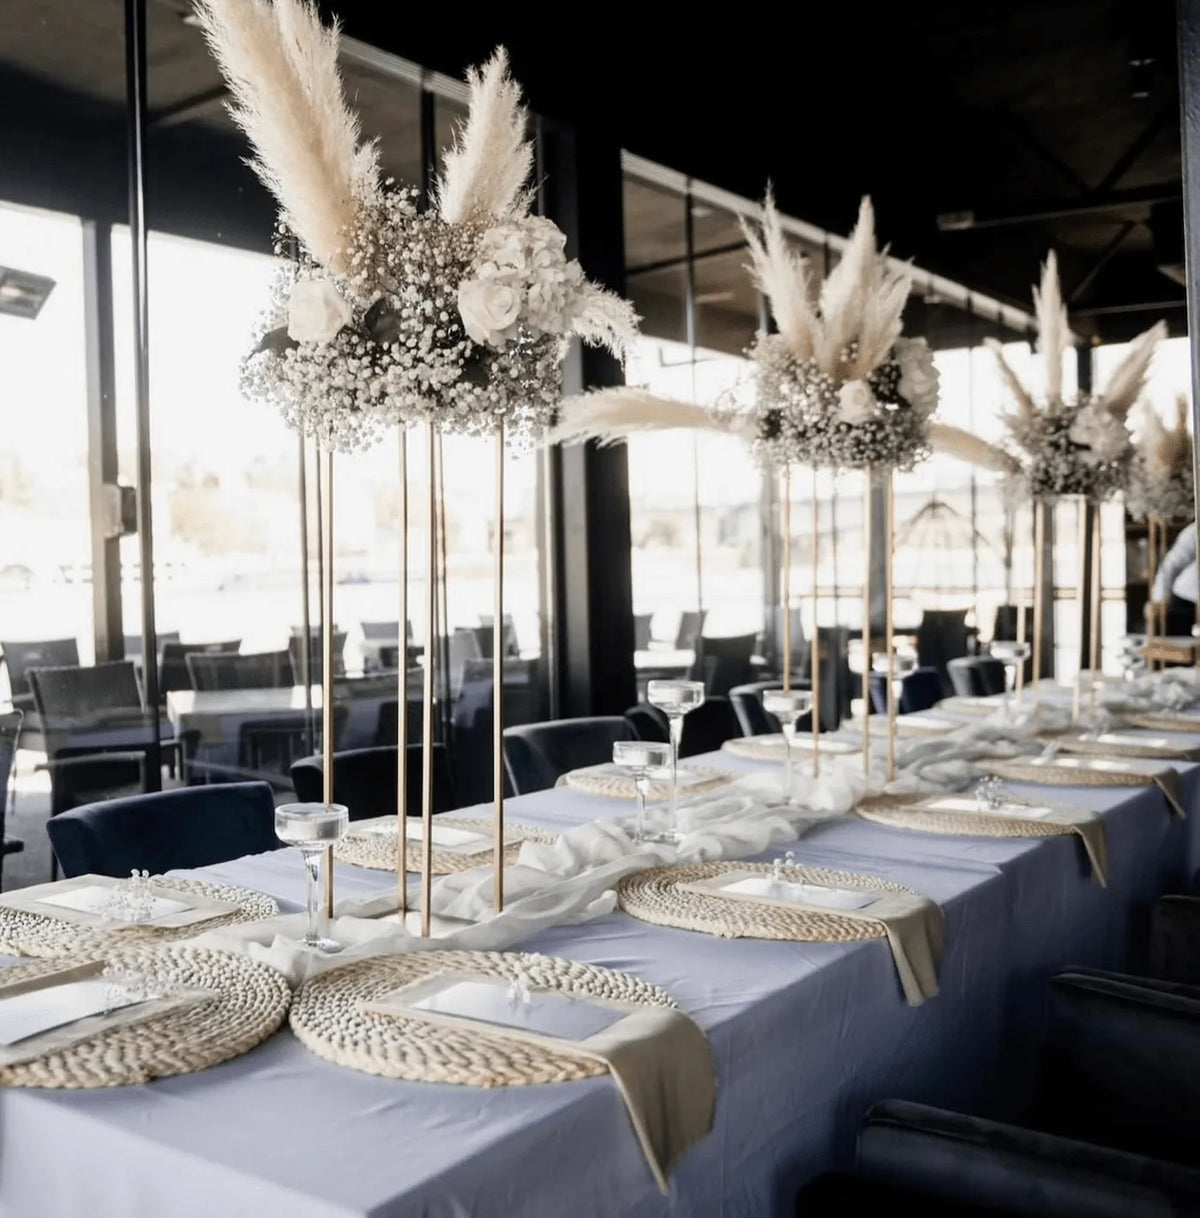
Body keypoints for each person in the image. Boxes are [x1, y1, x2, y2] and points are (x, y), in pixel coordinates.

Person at [1150, 521, 1198, 637]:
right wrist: (1160, 599)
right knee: (1180, 646)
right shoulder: (1195, 531)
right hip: (1186, 600)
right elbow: (1171, 566)